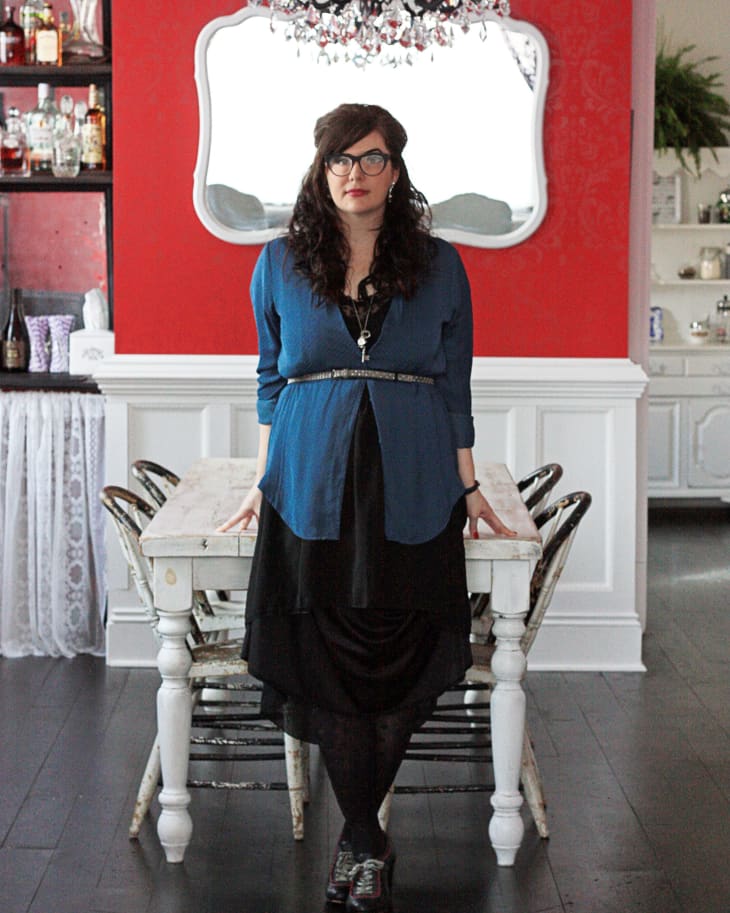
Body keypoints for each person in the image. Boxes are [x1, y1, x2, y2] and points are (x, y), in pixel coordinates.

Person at [218, 102, 515, 913]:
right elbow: (271, 381)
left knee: (398, 656)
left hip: (413, 477)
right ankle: (365, 838)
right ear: (321, 170)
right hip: (311, 480)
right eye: (341, 159)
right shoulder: (278, 262)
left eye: (373, 158)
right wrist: (262, 477)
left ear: (396, 170)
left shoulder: (440, 263)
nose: (356, 172)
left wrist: (468, 481)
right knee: (329, 660)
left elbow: (455, 380)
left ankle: (358, 841)